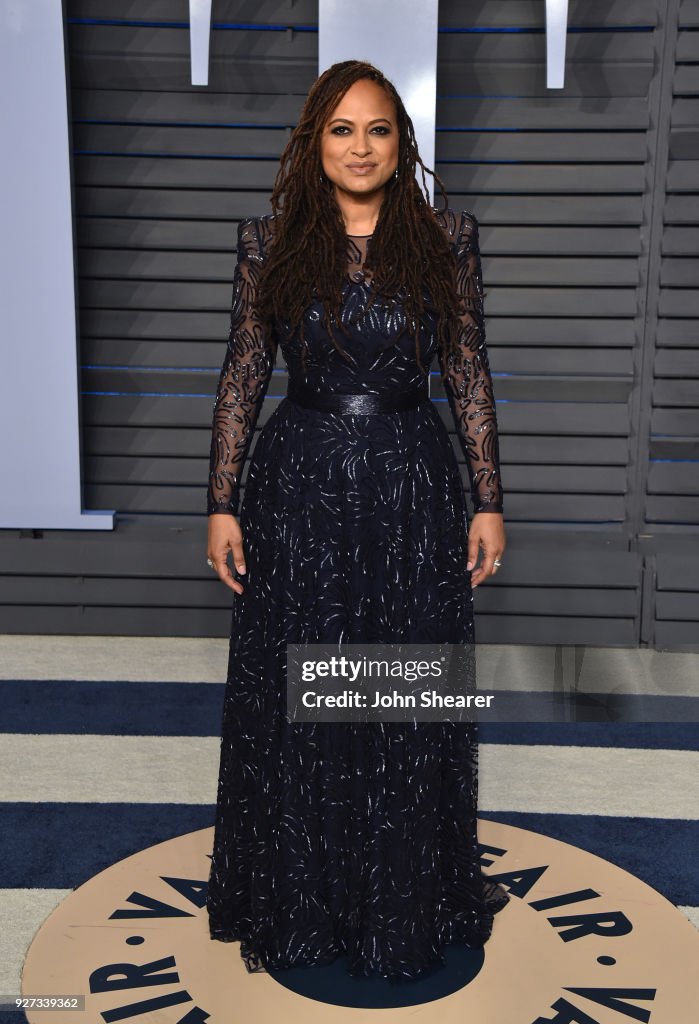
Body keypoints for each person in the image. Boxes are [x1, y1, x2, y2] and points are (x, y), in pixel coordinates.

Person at [204, 59, 510, 983]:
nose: (361, 146)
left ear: (400, 143)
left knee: (404, 690)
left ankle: (399, 899)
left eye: (377, 129)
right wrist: (220, 501)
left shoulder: (445, 238)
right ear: (315, 143)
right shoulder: (271, 242)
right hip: (297, 488)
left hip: (414, 482)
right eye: (342, 129)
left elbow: (466, 372)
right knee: (307, 690)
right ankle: (309, 900)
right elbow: (242, 377)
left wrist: (488, 498)